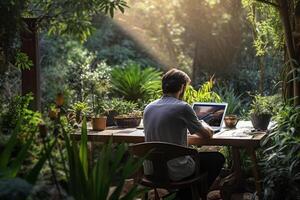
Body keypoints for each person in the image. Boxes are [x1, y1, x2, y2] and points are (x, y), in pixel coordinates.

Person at [143, 68, 225, 199]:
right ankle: (188, 196)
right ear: (182, 87)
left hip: (151, 170)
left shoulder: (148, 107)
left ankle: (181, 196)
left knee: (194, 159)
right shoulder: (182, 107)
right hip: (175, 172)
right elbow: (207, 135)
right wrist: (202, 123)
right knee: (217, 158)